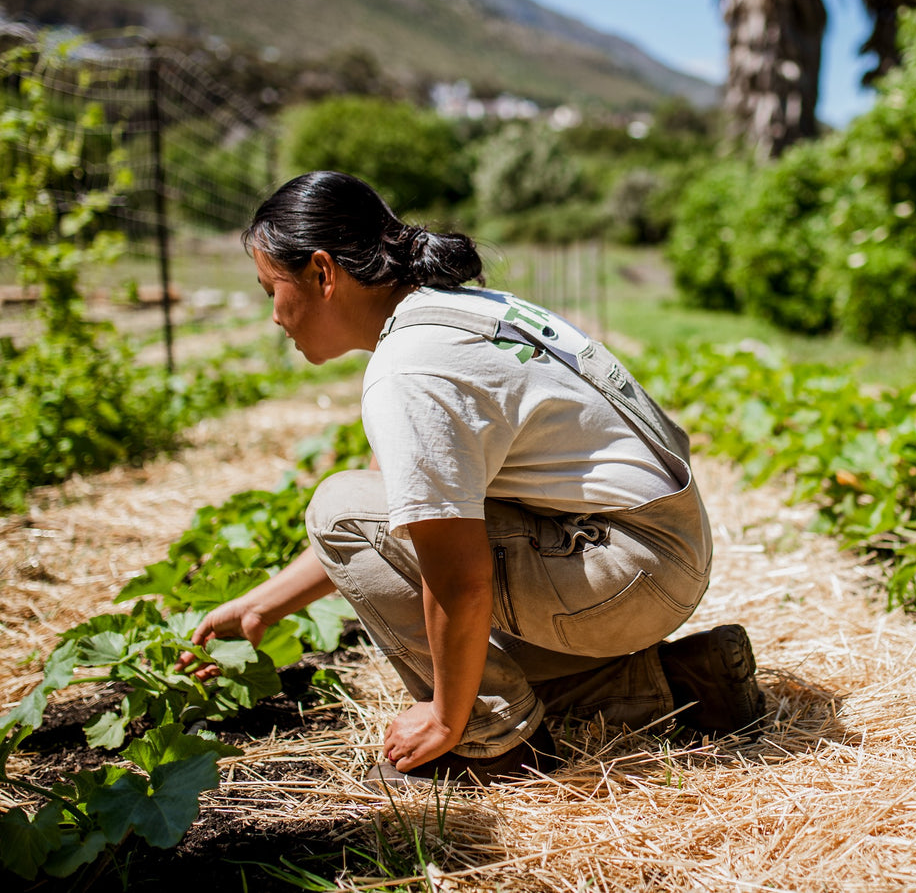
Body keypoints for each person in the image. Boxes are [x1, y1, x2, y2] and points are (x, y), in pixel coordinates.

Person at [189, 170, 765, 785]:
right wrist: (259, 607)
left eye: (269, 288)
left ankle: (496, 744)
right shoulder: (448, 311)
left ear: (323, 274)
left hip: (624, 569)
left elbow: (452, 576)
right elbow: (391, 510)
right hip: (660, 552)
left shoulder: (409, 370)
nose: (275, 316)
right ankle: (675, 686)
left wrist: (445, 716)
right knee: (451, 631)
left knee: (339, 510)